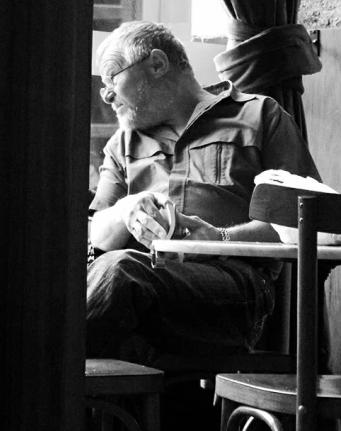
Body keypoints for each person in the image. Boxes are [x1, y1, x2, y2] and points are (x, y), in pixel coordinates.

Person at [86, 20, 320, 364]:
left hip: (231, 289)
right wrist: (125, 210)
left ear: (157, 64)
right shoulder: (122, 144)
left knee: (121, 271)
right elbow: (95, 235)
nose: (105, 94)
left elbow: (301, 222)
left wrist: (218, 237)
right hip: (134, 290)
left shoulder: (259, 116)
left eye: (112, 77)